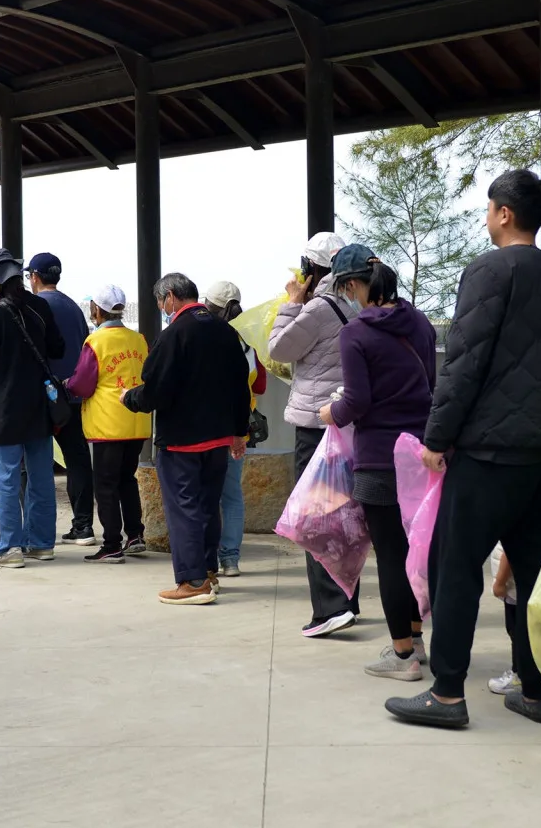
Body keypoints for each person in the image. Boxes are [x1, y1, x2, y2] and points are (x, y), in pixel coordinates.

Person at [385, 170, 541, 730]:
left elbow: (463, 362)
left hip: (488, 454)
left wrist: (438, 438)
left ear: (504, 213)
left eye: (488, 210)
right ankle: (535, 691)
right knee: (535, 572)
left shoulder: (488, 271)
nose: (486, 218)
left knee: (456, 567)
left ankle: (447, 695)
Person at [318, 248, 437, 681]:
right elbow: (433, 386)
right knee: (417, 551)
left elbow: (357, 401)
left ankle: (403, 656)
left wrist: (330, 414)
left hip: (380, 459)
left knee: (391, 556)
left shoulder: (355, 334)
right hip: (422, 455)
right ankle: (418, 638)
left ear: (352, 287)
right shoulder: (420, 323)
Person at [123, 273, 252, 605]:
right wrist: (239, 432)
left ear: (169, 297)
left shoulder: (173, 334)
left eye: (159, 303)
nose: (161, 308)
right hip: (219, 439)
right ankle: (208, 571)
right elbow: (242, 386)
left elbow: (155, 391)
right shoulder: (227, 333)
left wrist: (129, 398)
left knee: (184, 511)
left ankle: (193, 582)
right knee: (209, 508)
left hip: (181, 441)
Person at [270, 231, 363, 635]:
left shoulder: (319, 307)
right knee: (346, 515)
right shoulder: (357, 301)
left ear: (311, 269)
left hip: (316, 422)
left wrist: (292, 303)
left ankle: (330, 608)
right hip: (352, 421)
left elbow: (279, 349)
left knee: (316, 518)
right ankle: (348, 600)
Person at [0, 250, 63, 565]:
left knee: (7, 477)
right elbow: (57, 348)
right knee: (40, 476)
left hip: (6, 407)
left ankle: (10, 548)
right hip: (39, 405)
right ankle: (41, 543)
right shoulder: (39, 307)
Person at [65, 284, 151, 563]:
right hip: (136, 422)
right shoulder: (138, 339)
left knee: (105, 485)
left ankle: (112, 543)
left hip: (107, 424)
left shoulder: (96, 342)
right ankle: (136, 535)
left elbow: (83, 384)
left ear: (97, 310)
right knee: (127, 479)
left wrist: (67, 384)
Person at [27, 252, 97, 545]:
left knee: (35, 461)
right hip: (75, 397)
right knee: (78, 459)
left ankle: (38, 530)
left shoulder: (36, 307)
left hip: (44, 395)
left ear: (34, 277)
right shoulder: (73, 307)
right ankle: (83, 526)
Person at [203, 280, 268, 577]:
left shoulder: (202, 336)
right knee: (231, 496)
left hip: (206, 427)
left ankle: (206, 560)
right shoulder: (247, 342)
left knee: (204, 494)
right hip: (239, 428)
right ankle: (231, 559)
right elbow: (261, 385)